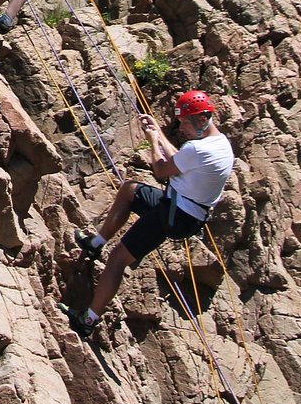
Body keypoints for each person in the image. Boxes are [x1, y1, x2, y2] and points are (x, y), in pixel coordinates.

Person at [63, 90, 235, 339]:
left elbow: (162, 169)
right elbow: (183, 160)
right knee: (130, 190)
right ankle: (95, 243)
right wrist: (159, 132)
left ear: (201, 120)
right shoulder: (220, 144)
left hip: (174, 215)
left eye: (186, 123)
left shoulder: (198, 149)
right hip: (183, 210)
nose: (183, 128)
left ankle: (88, 319)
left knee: (117, 260)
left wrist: (153, 141)